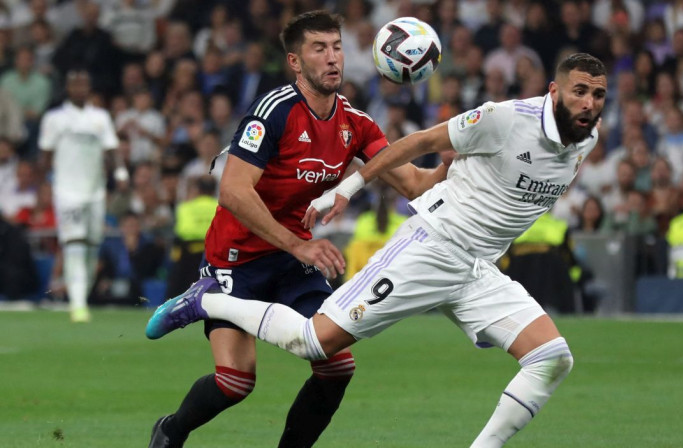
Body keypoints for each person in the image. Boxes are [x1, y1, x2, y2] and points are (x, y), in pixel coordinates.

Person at [147, 53, 608, 447]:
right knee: (311, 342)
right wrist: (345, 189)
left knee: (552, 357)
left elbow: (433, 178)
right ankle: (204, 300)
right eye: (579, 91)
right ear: (554, 90)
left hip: (476, 268)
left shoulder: (588, 137)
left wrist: (456, 173)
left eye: (597, 95)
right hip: (432, 246)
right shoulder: (505, 118)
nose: (588, 103)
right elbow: (420, 143)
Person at [146, 11, 450, 448]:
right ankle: (171, 430)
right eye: (319, 48)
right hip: (237, 255)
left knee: (336, 366)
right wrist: (299, 245)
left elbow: (414, 183)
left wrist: (448, 163)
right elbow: (232, 191)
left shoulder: (356, 123)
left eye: (337, 47)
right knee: (235, 382)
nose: (332, 58)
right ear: (295, 61)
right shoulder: (274, 111)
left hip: (291, 259)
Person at [38, 69, 125, 322]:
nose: (79, 89)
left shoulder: (99, 117)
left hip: (94, 190)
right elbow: (45, 155)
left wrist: (120, 173)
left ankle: (81, 296)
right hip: (66, 189)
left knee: (92, 244)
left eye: (83, 84)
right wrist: (43, 186)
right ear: (68, 87)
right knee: (74, 242)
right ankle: (77, 304)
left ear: (89, 87)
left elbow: (112, 148)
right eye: (75, 84)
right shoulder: (54, 119)